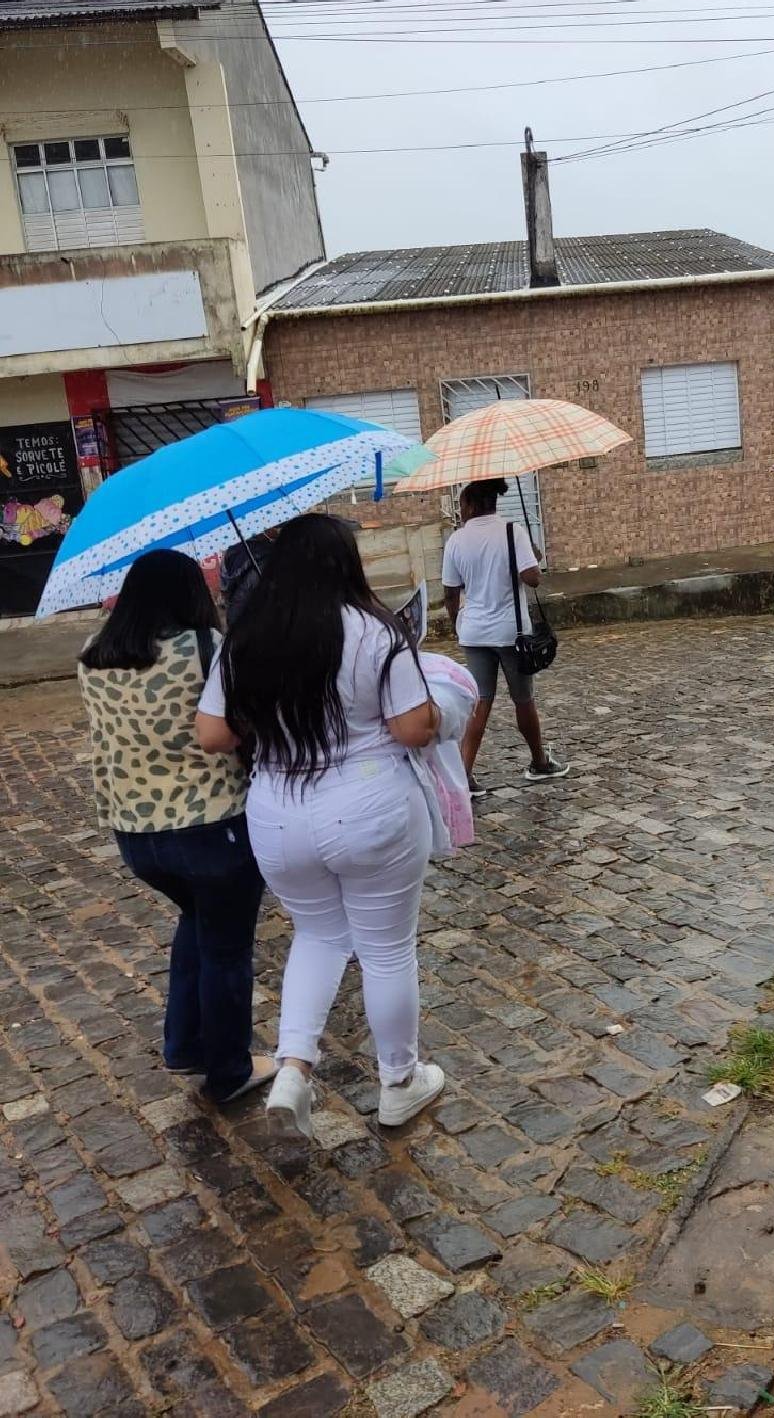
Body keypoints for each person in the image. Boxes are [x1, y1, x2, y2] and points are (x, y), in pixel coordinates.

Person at [196, 513, 449, 1139]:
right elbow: (412, 728)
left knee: (317, 937)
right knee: (387, 950)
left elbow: (212, 734)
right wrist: (439, 709)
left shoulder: (245, 639)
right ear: (347, 564)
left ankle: (293, 1068)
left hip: (279, 814)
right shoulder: (374, 631)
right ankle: (398, 1081)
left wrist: (269, 709)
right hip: (370, 808)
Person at [78, 550, 273, 1104]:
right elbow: (240, 725)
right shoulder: (207, 650)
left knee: (197, 922)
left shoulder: (92, 656)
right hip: (212, 828)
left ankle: (185, 1043)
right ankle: (231, 1069)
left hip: (136, 836)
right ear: (189, 593)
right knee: (227, 950)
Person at [441, 479, 568, 790]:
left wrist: (459, 623)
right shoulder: (513, 532)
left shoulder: (456, 541)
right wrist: (532, 556)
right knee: (523, 699)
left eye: (461, 506)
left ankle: (464, 775)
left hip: (474, 633)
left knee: (480, 701)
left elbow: (450, 592)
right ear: (493, 503)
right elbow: (533, 579)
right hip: (511, 633)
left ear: (471, 505)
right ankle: (539, 762)